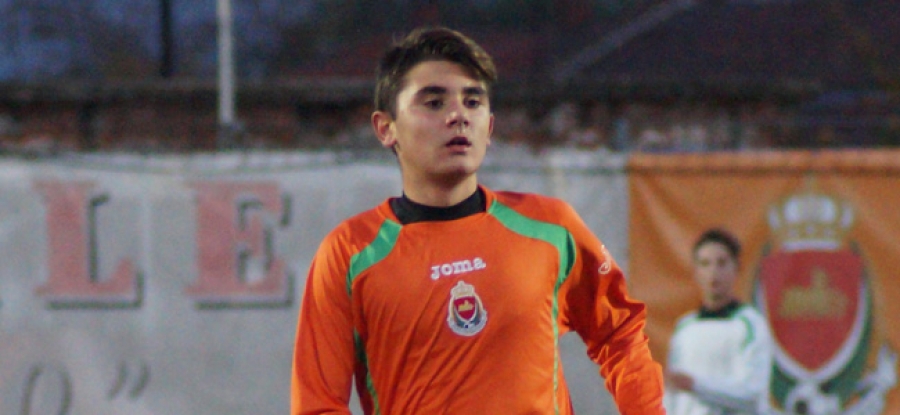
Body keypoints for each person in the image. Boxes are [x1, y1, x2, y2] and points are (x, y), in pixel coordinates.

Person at [291, 26, 665, 415]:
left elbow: (619, 332)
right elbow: (318, 404)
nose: (458, 116)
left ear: (489, 127)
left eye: (473, 102)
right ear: (386, 129)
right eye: (434, 102)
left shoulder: (552, 226)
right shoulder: (349, 254)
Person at [664, 228, 774, 415]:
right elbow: (673, 393)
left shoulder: (750, 324)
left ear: (737, 268)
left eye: (722, 263)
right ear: (695, 272)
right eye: (705, 264)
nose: (713, 272)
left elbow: (752, 393)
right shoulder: (685, 327)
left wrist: (696, 384)